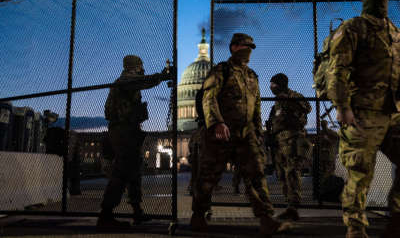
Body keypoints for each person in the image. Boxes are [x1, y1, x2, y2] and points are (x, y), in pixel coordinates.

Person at [191, 33, 291, 236]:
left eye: (251, 47)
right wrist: (217, 123)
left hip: (246, 135)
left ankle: (266, 218)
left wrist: (258, 130)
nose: (249, 51)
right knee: (209, 177)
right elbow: (209, 98)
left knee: (257, 175)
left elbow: (256, 106)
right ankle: (198, 214)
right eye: (246, 46)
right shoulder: (221, 70)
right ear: (234, 47)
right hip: (221, 134)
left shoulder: (252, 76)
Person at [326, 0, 400, 238]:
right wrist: (342, 107)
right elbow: (337, 70)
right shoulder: (353, 28)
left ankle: (396, 218)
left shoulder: (395, 34)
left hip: (392, 114)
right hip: (361, 116)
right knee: (359, 175)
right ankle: (356, 229)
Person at [97, 55, 171, 230]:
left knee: (134, 171)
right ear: (134, 67)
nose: (142, 68)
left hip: (129, 131)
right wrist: (161, 76)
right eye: (140, 66)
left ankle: (137, 211)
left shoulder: (129, 81)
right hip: (122, 131)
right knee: (122, 172)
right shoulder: (126, 80)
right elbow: (144, 81)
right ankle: (105, 215)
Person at [268, 73, 311, 221]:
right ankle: (289, 204)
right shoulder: (277, 102)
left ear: (280, 84)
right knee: (281, 173)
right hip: (280, 141)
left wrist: (290, 101)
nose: (271, 87)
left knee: (292, 171)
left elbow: (308, 107)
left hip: (292, 139)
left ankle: (293, 205)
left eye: (273, 84)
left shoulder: (292, 96)